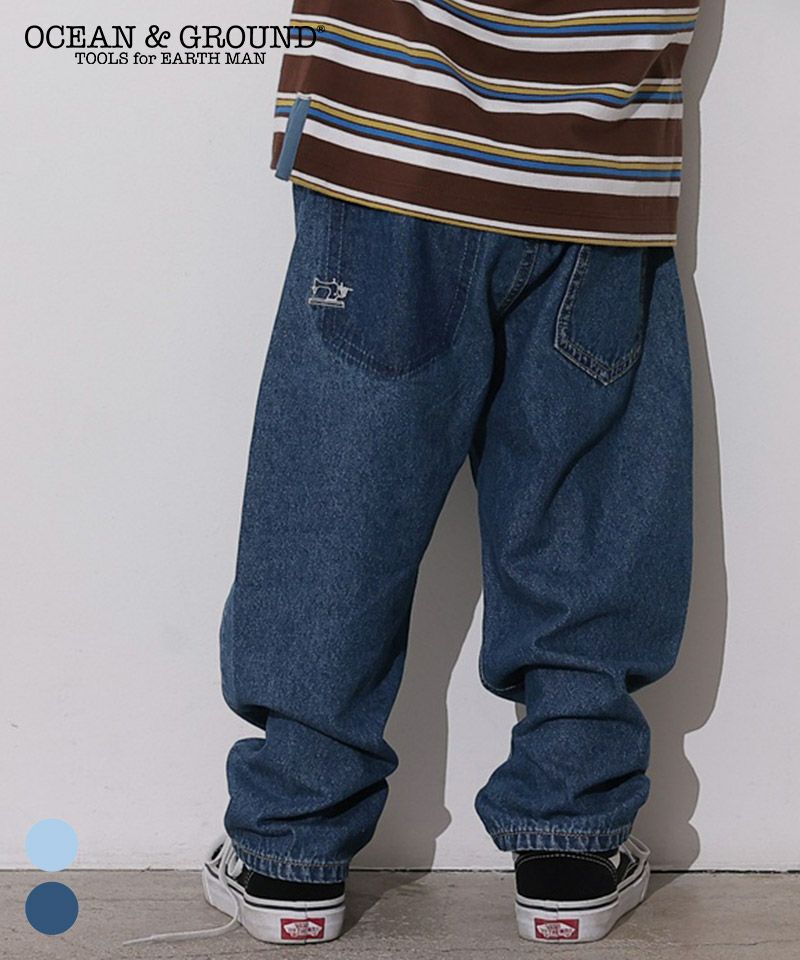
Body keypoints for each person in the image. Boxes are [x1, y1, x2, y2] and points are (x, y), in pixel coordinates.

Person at [126, 0, 699, 949]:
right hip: (596, 164)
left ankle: (290, 850)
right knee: (583, 515)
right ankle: (570, 849)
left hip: (394, 148)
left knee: (338, 504)